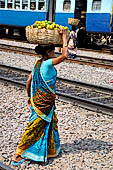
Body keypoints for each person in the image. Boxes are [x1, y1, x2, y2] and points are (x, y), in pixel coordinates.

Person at [11, 29, 68, 166]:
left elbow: (28, 81)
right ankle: (18, 154)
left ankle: (48, 150)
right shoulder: (48, 64)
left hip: (38, 101)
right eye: (53, 51)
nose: (55, 53)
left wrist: (29, 98)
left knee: (46, 124)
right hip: (45, 103)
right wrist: (64, 36)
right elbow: (65, 55)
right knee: (34, 126)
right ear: (48, 52)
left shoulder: (37, 63)